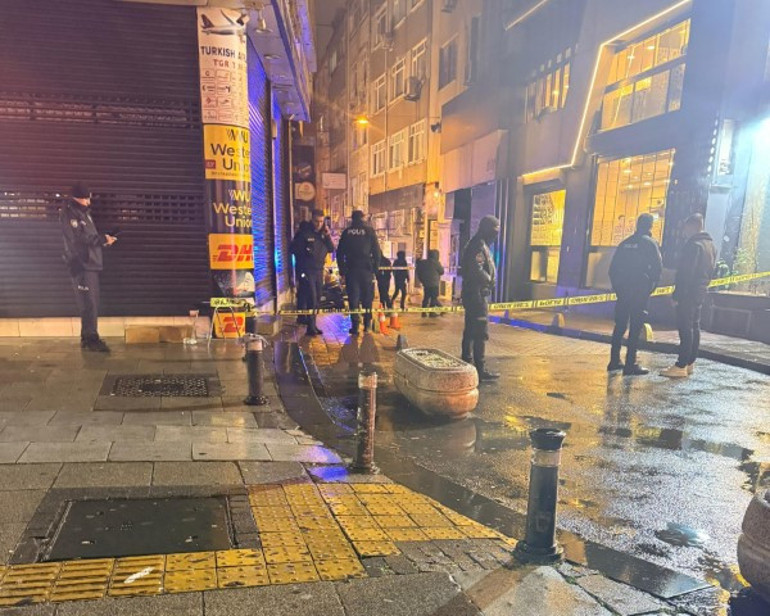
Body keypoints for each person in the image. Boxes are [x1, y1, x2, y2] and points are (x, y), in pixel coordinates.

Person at [60, 182, 117, 352]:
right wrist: (102, 239)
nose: (88, 202)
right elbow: (78, 239)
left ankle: (88, 337)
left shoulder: (84, 213)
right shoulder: (70, 214)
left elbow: (89, 238)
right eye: (85, 199)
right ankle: (91, 340)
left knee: (92, 303)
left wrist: (104, 241)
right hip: (81, 264)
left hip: (91, 264)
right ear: (76, 198)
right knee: (88, 303)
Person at [661, 213, 716, 378]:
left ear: (692, 227)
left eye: (685, 228)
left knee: (685, 327)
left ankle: (681, 364)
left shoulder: (693, 245)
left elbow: (685, 273)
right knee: (694, 326)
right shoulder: (710, 245)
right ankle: (690, 362)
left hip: (688, 293)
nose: (683, 231)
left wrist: (677, 296)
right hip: (700, 291)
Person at [607, 213, 663, 376]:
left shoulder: (625, 243)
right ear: (650, 226)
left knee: (620, 325)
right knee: (635, 327)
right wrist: (649, 288)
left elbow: (612, 269)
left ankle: (614, 360)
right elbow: (657, 270)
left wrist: (619, 289)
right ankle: (630, 363)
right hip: (639, 292)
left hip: (623, 292)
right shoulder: (650, 244)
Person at [460, 215, 500, 381]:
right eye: (494, 231)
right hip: (476, 294)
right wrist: (489, 280)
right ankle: (479, 368)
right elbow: (476, 268)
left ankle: (467, 364)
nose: (496, 235)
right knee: (479, 331)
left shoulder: (481, 244)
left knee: (471, 330)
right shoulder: (477, 245)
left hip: (475, 293)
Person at [290, 210, 334, 336]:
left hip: (319, 270)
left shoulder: (323, 234)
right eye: (316, 221)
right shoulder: (304, 233)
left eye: (321, 221)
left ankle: (313, 324)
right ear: (312, 219)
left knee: (317, 297)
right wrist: (305, 257)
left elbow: (331, 249)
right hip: (307, 270)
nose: (318, 224)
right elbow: (294, 249)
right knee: (311, 297)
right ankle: (310, 326)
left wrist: (328, 235)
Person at [337, 210, 381, 335]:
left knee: (353, 298)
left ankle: (355, 326)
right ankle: (367, 325)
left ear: (352, 219)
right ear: (363, 218)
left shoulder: (347, 232)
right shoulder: (369, 231)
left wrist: (342, 270)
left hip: (351, 270)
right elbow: (377, 251)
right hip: (366, 270)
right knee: (367, 298)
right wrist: (375, 268)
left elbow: (340, 253)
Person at [416, 249, 444, 317]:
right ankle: (432, 313)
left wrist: (422, 280)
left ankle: (423, 313)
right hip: (434, 284)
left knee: (426, 298)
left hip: (426, 284)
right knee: (433, 298)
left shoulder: (423, 263)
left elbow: (418, 271)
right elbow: (441, 271)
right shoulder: (436, 263)